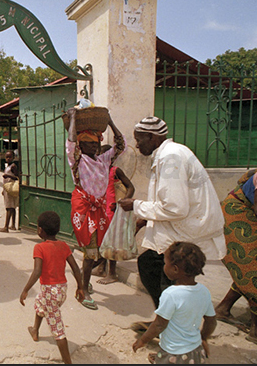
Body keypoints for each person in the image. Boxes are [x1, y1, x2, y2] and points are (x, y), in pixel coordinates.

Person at [119, 116, 226, 330]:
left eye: (139, 140)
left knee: (165, 273)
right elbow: (168, 200)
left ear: (152, 137)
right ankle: (165, 322)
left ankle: (172, 329)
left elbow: (175, 208)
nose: (137, 145)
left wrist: (136, 205)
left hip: (188, 230)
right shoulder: (169, 154)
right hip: (182, 227)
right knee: (150, 264)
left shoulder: (171, 158)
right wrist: (144, 217)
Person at [65, 107, 125, 310]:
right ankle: (82, 291)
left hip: (98, 209)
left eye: (95, 143)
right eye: (88, 143)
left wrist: (110, 122)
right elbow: (70, 143)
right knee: (91, 252)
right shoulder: (78, 161)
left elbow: (120, 144)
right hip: (84, 207)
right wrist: (73, 117)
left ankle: (83, 279)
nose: (93, 146)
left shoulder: (103, 160)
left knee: (99, 251)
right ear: (81, 145)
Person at [133, 241, 217, 364]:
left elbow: (159, 325)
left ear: (175, 269)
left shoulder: (171, 294)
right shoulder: (204, 291)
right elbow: (211, 321)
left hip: (174, 354)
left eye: (165, 263)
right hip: (196, 352)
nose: (164, 267)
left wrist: (143, 340)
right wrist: (203, 338)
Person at [19, 210, 85, 364]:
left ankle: (68, 362)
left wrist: (25, 289)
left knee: (58, 331)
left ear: (40, 230)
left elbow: (37, 271)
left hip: (50, 292)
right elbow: (76, 268)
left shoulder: (40, 248)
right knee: (40, 303)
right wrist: (81, 287)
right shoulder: (64, 246)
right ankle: (35, 330)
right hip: (61, 290)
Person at [214, 168, 257, 346]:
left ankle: (223, 309)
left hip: (249, 215)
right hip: (238, 214)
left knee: (245, 267)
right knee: (252, 269)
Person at [90, 144, 135, 285]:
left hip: (110, 211)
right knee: (101, 240)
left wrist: (122, 201)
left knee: (110, 241)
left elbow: (130, 187)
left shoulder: (114, 171)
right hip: (99, 211)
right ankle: (101, 268)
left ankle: (112, 273)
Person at [0, 150, 20, 233]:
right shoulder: (8, 165)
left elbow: (17, 176)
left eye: (10, 157)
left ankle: (6, 227)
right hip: (7, 188)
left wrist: (7, 175)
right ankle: (13, 225)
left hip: (11, 187)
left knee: (9, 207)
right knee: (12, 207)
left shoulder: (13, 166)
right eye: (6, 157)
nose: (8, 158)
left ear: (13, 157)